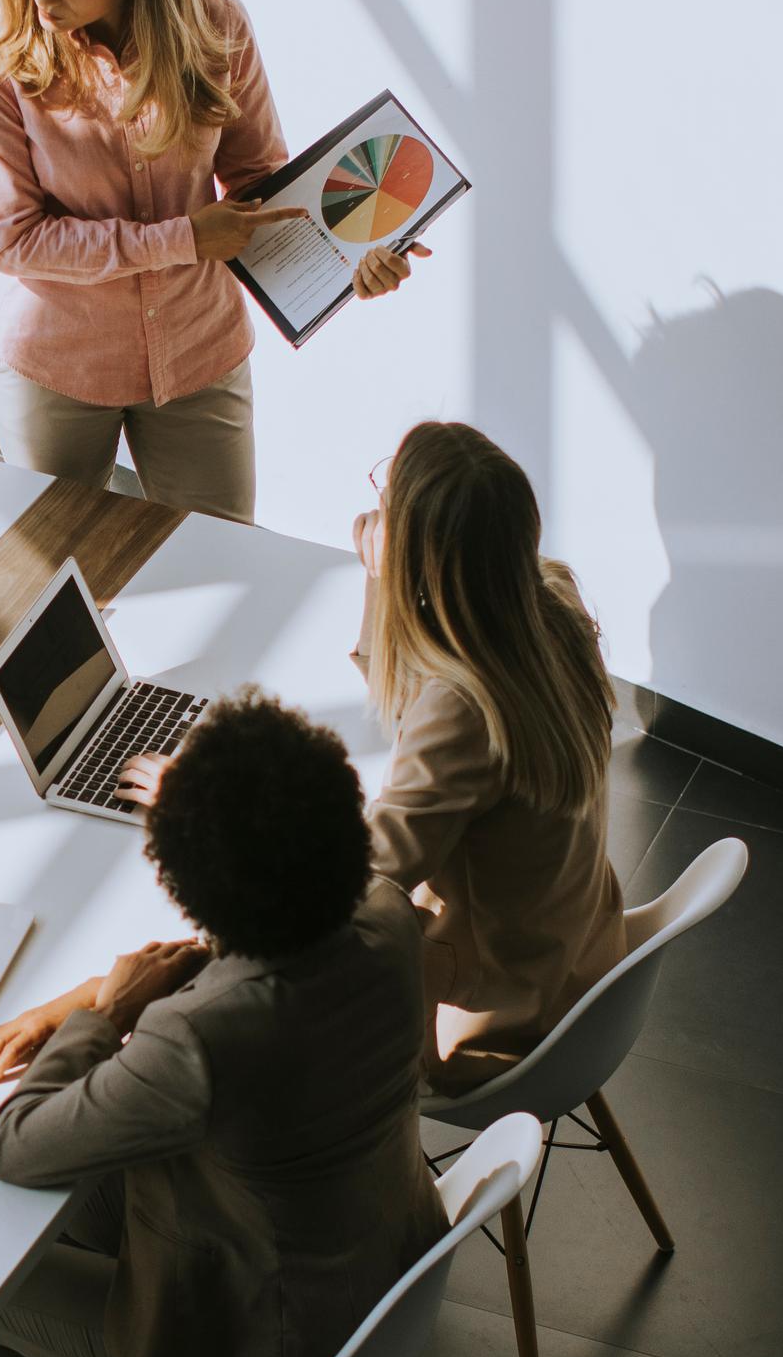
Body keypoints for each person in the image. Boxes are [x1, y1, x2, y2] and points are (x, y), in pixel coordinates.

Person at [0, 690, 440, 1357]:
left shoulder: (202, 1037)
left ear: (185, 879)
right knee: (77, 1197)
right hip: (381, 1259)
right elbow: (242, 966)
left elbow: (15, 1144)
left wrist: (98, 1016)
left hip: (270, 1355)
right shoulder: (385, 910)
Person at [127, 420, 631, 1093]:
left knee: (234, 1010)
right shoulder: (552, 606)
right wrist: (384, 582)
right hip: (583, 964)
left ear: (424, 558)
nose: (373, 507)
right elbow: (400, 705)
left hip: (487, 1022)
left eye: (387, 496)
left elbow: (350, 886)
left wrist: (199, 804)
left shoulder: (463, 710)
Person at [0, 0, 417, 524]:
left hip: (200, 357)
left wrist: (354, 251)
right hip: (56, 367)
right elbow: (15, 241)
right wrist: (182, 239)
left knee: (225, 559)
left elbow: (260, 183)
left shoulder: (217, 27)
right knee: (51, 578)